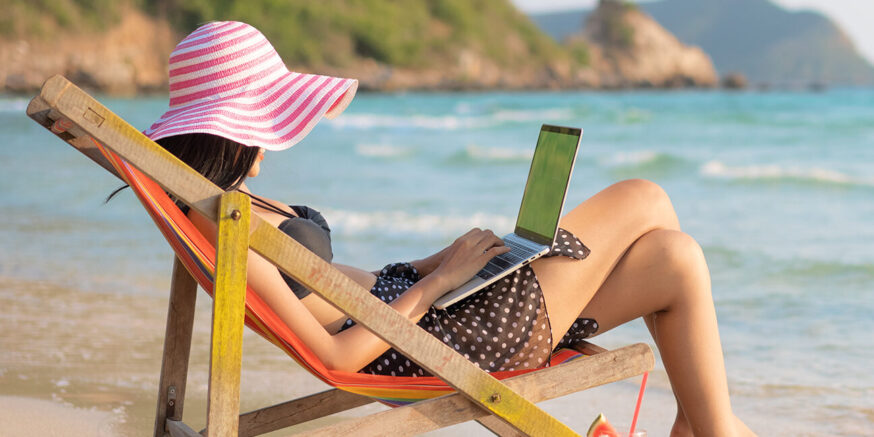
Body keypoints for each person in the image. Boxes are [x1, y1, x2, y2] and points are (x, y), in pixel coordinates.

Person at [125, 21, 754, 436]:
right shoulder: (227, 227)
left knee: (676, 258)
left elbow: (335, 286)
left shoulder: (219, 203)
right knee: (645, 197)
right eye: (255, 129)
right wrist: (441, 284)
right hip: (435, 339)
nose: (263, 149)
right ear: (224, 132)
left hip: (424, 308)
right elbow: (336, 351)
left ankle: (701, 427)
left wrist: (436, 263)